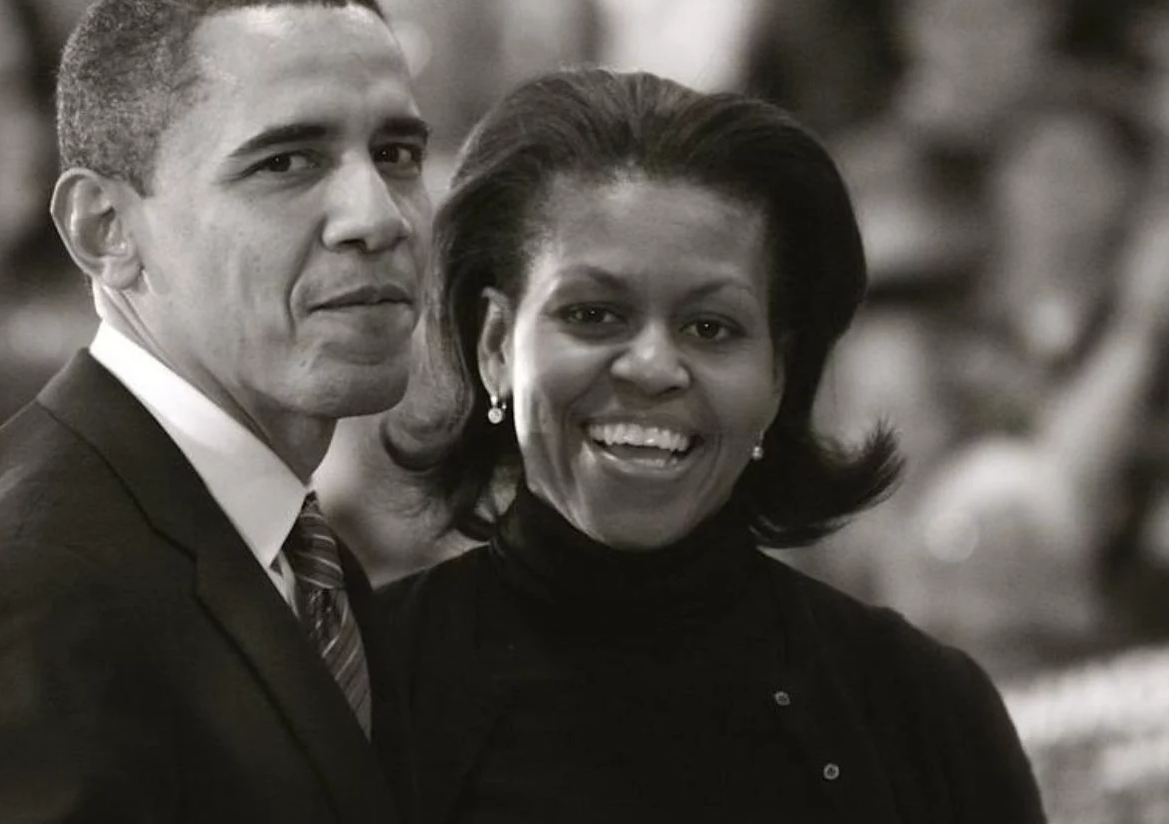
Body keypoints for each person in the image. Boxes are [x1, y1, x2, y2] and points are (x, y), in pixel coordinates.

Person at [0, 0, 431, 822]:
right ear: (106, 229)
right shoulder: (34, 593)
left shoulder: (266, 540)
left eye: (395, 154)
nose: (378, 217)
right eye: (287, 162)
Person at [374, 68, 1046, 823]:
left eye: (711, 328)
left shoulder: (918, 706)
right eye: (594, 314)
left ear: (779, 375)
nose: (655, 366)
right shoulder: (361, 686)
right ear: (497, 345)